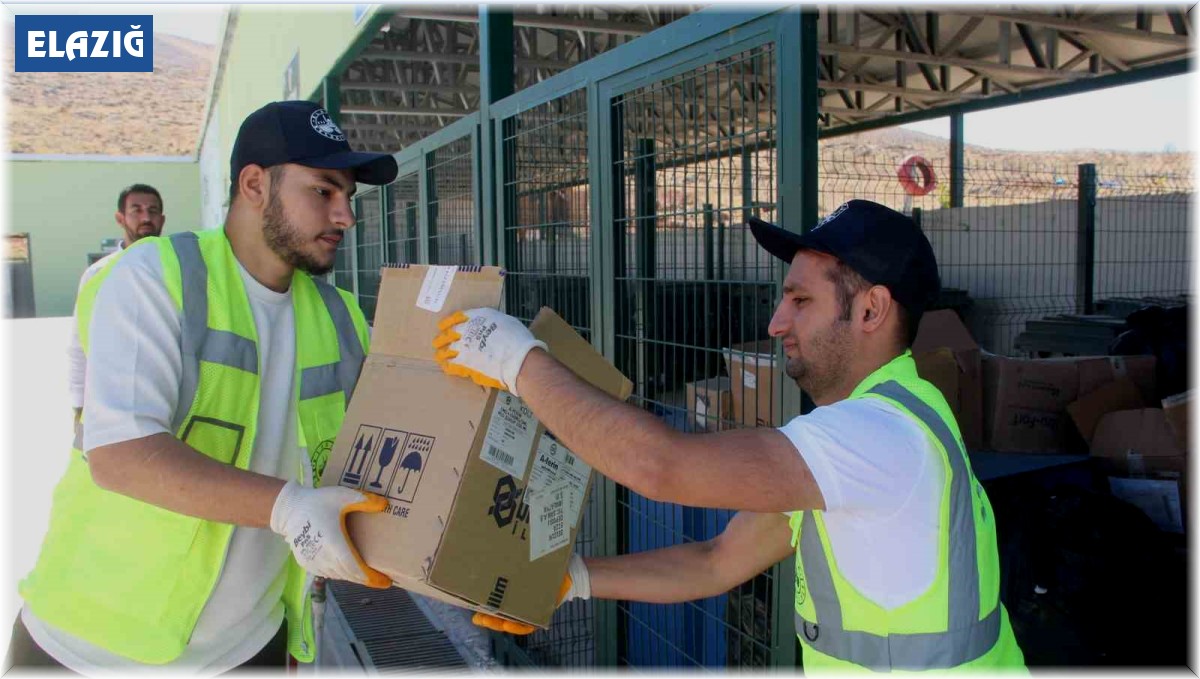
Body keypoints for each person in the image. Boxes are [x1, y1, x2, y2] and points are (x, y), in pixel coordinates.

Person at [435, 200, 1026, 671]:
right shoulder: (884, 424)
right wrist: (575, 581)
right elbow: (716, 562)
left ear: (871, 310)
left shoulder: (878, 436)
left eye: (800, 301)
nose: (776, 323)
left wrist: (518, 362)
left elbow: (659, 467)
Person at [9, 100, 399, 674]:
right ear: (254, 184)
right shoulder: (154, 278)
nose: (345, 215)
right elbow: (121, 456)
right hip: (92, 648)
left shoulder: (341, 317)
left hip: (249, 649)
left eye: (349, 197)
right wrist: (288, 507)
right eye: (323, 191)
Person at [67, 184, 167, 423]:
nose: (146, 217)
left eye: (153, 211)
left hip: (165, 396)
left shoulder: (180, 269)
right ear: (120, 218)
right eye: (137, 210)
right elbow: (80, 344)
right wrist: (79, 404)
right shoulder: (98, 275)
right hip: (112, 401)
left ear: (162, 219)